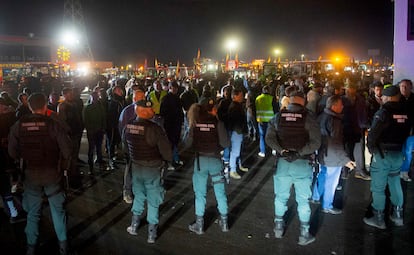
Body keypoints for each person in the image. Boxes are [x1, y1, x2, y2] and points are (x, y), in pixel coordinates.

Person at [8, 93, 72, 255]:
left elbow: (12, 151)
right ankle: (63, 247)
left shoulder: (19, 125)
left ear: (29, 107)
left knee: (33, 213)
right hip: (52, 174)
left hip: (30, 175)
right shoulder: (53, 124)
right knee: (58, 212)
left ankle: (31, 247)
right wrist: (63, 167)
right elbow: (67, 150)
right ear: (45, 106)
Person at [265, 90, 321, 245]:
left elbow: (269, 138)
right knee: (303, 200)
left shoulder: (278, 117)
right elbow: (316, 142)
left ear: (289, 101)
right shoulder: (308, 118)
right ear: (302, 101)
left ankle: (278, 228)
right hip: (302, 163)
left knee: (281, 196)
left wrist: (282, 150)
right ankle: (304, 234)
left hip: (283, 163)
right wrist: (299, 153)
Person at [123, 99, 172, 244]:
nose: (154, 112)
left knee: (138, 195)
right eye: (150, 110)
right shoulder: (155, 129)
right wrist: (166, 162)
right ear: (142, 111)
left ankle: (134, 225)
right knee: (153, 199)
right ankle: (152, 233)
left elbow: (125, 147)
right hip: (153, 168)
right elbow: (167, 152)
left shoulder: (128, 126)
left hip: (136, 167)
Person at [364, 85, 411, 229]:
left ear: (388, 97)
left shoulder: (383, 112)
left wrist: (372, 150)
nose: (382, 99)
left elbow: (372, 135)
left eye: (383, 97)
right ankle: (398, 215)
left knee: (378, 187)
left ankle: (379, 218)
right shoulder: (406, 112)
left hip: (383, 154)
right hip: (398, 153)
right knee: (395, 182)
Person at [185, 97, 230, 235]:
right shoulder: (218, 123)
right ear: (212, 110)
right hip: (216, 160)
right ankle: (224, 223)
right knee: (220, 192)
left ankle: (199, 225)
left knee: (200, 194)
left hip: (201, 162)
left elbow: (187, 143)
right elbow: (226, 143)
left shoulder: (195, 123)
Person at [311, 95, 355, 214]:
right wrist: (346, 160)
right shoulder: (335, 121)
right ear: (334, 106)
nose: (342, 106)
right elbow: (336, 143)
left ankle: (315, 196)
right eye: (340, 104)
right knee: (332, 181)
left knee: (323, 174)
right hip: (333, 157)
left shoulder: (321, 117)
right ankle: (327, 205)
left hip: (322, 153)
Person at [118, 87, 146, 204]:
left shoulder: (146, 109)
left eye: (144, 97)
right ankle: (127, 191)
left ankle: (140, 189)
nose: (143, 99)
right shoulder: (127, 111)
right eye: (140, 98)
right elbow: (122, 129)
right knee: (130, 169)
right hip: (131, 146)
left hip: (144, 146)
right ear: (134, 98)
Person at [0, 98, 25, 224]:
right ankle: (14, 214)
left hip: (5, 158)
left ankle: (13, 213)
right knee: (5, 189)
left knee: (5, 188)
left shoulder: (9, 117)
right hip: (3, 160)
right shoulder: (8, 117)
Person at [342, 83, 370, 181]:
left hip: (357, 128)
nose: (349, 90)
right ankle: (345, 171)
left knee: (359, 151)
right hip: (346, 128)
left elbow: (363, 114)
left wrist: (365, 125)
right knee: (347, 150)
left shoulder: (360, 100)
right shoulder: (343, 100)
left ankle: (359, 170)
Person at [57, 87, 84, 189]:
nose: (72, 95)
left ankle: (74, 173)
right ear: (65, 95)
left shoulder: (74, 104)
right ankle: (71, 177)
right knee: (70, 156)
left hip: (76, 131)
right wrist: (68, 131)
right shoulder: (63, 106)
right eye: (70, 94)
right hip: (70, 134)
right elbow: (62, 122)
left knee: (75, 154)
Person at [160, 81, 184, 169]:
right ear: (170, 88)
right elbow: (163, 112)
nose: (175, 90)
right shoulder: (167, 98)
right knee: (171, 142)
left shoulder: (174, 98)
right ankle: (170, 161)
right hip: (170, 123)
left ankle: (175, 159)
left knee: (174, 142)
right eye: (174, 88)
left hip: (174, 123)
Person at [227, 88, 249, 179]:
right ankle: (233, 170)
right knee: (235, 151)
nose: (242, 97)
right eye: (240, 95)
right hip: (237, 132)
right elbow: (234, 121)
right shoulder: (235, 107)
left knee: (237, 150)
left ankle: (238, 166)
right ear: (235, 96)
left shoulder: (236, 106)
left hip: (238, 131)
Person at [83, 91, 107, 175]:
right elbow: (86, 120)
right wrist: (90, 129)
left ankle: (98, 163)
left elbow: (103, 118)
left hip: (98, 130)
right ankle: (91, 166)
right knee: (92, 149)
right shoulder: (88, 108)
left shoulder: (100, 107)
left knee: (98, 148)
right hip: (93, 131)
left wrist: (103, 128)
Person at [255, 85, 278, 158]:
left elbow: (255, 109)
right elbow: (276, 109)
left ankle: (262, 151)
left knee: (262, 136)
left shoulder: (258, 98)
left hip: (261, 120)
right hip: (271, 120)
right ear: (269, 91)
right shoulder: (272, 98)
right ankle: (274, 149)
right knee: (272, 135)